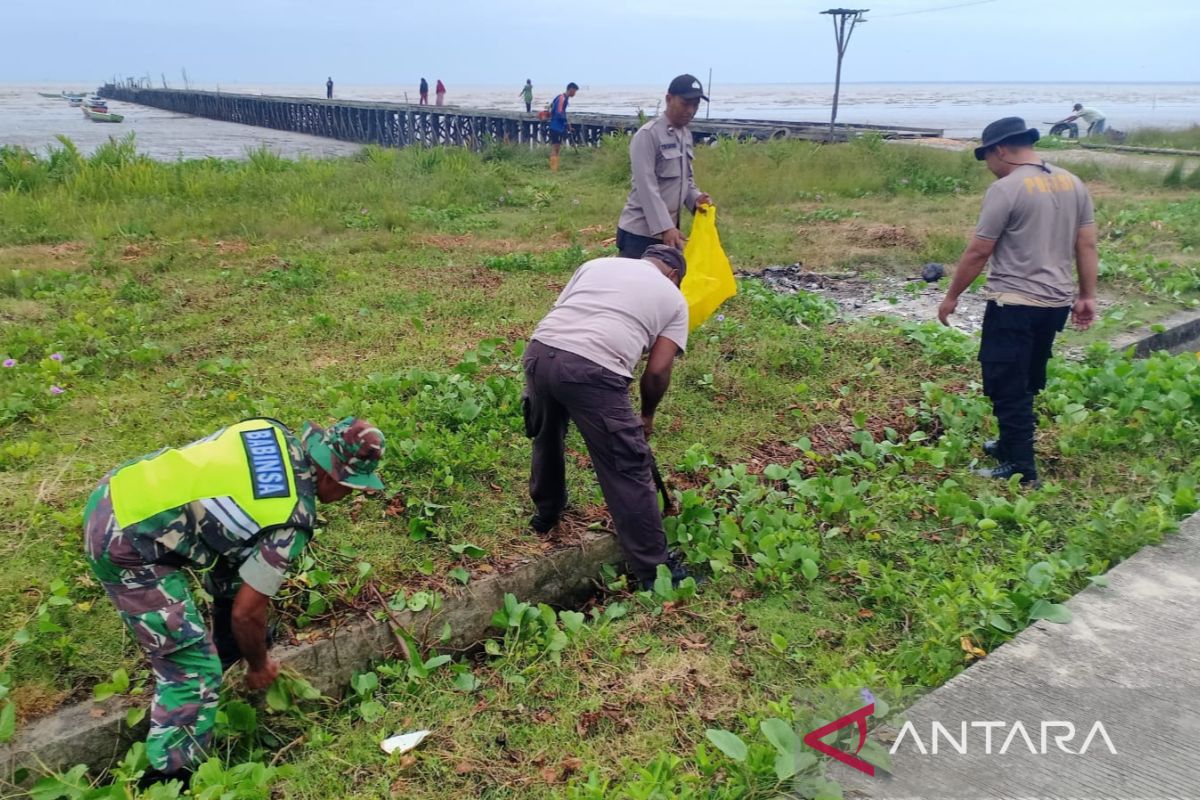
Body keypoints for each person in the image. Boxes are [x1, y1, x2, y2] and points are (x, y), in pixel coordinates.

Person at [83, 416, 386, 788]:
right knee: (194, 668)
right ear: (332, 477)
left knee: (236, 562)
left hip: (117, 490)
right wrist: (258, 664)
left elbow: (232, 537)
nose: (349, 496)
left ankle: (224, 648)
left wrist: (235, 640)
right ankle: (167, 780)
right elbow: (248, 611)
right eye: (351, 488)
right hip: (126, 543)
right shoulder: (291, 519)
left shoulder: (269, 431)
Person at [937, 117, 1097, 486]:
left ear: (1000, 149)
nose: (988, 168)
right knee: (1025, 377)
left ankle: (1022, 470)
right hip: (1054, 304)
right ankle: (1009, 444)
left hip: (1014, 303)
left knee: (1008, 383)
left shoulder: (1007, 188)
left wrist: (951, 296)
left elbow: (979, 250)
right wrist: (1086, 295)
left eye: (987, 158)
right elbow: (1086, 245)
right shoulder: (1072, 182)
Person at [523, 245, 692, 590]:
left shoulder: (596, 264)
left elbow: (566, 311)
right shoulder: (675, 299)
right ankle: (655, 574)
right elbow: (658, 371)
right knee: (627, 466)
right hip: (592, 369)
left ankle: (546, 514)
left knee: (547, 435)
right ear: (675, 275)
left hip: (540, 352)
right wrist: (646, 414)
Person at [616, 74, 712, 259]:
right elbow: (646, 187)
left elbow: (686, 180)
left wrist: (695, 199)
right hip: (640, 233)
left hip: (670, 232)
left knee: (664, 286)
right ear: (669, 99)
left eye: (696, 105)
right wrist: (665, 227)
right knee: (635, 285)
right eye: (685, 104)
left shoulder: (686, 135)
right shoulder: (648, 135)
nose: (690, 110)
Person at [547, 82, 578, 171]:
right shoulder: (562, 98)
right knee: (555, 147)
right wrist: (566, 123)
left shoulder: (563, 98)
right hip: (556, 126)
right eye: (575, 91)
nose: (575, 94)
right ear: (571, 89)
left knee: (557, 147)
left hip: (558, 126)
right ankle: (553, 169)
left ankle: (554, 167)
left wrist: (567, 124)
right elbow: (559, 113)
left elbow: (560, 112)